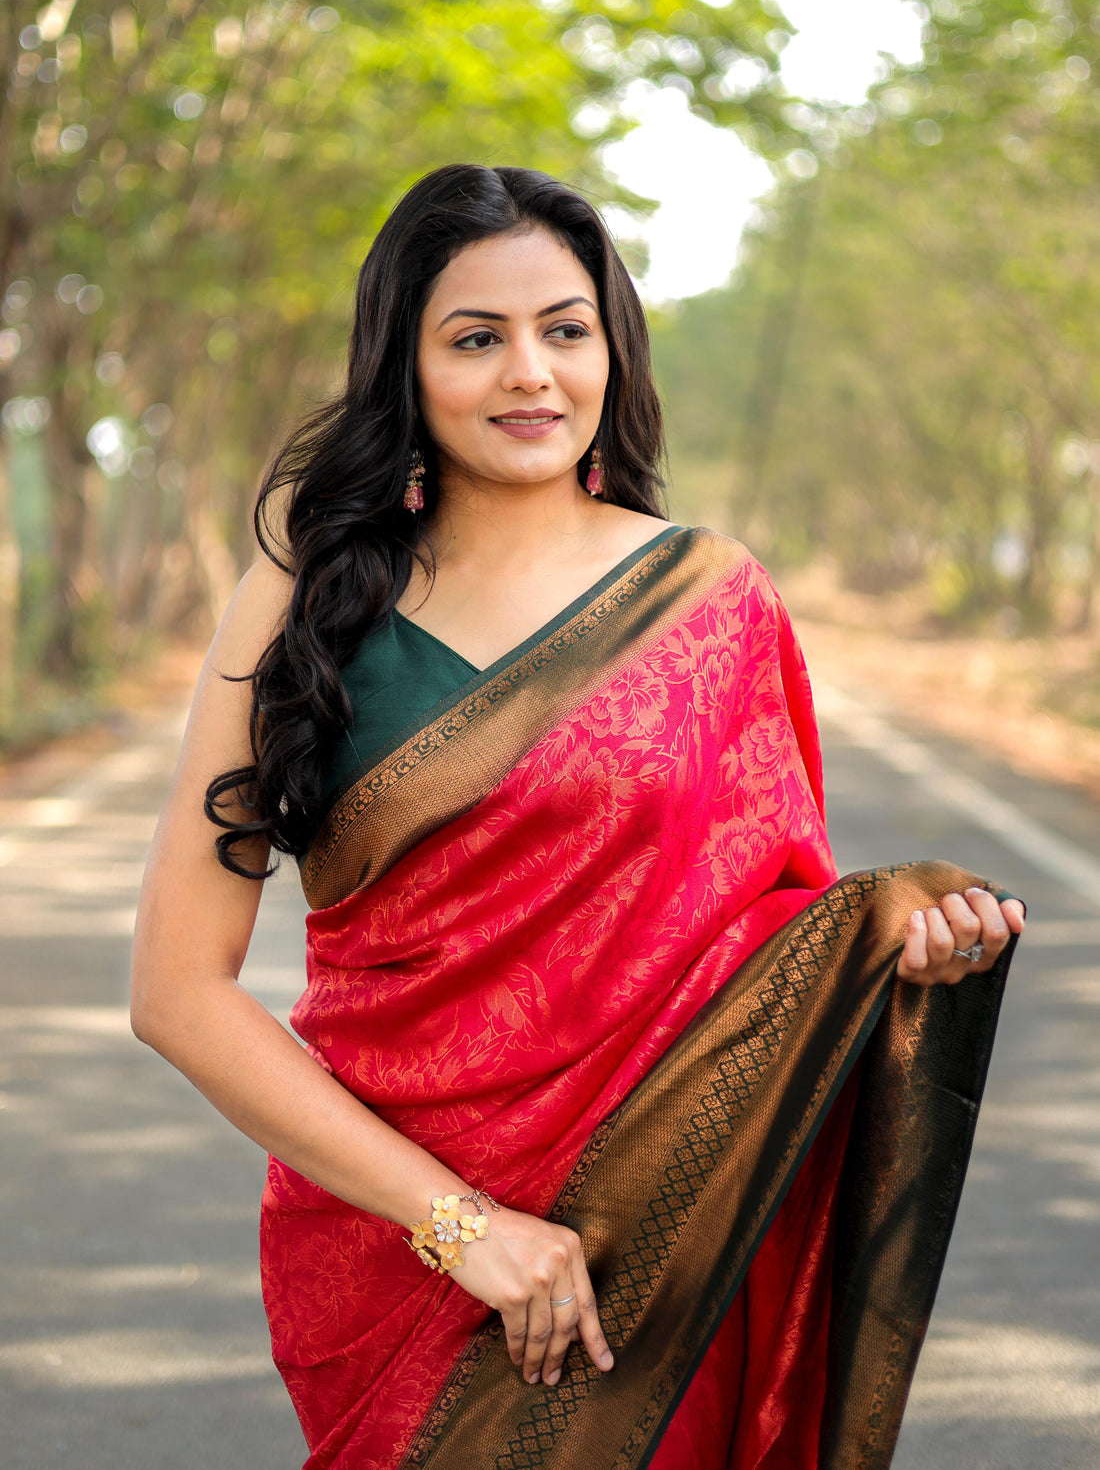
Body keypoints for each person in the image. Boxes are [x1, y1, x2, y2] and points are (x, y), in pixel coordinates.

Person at [131, 164, 1025, 1470]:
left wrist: (893, 933)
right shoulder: (306, 597)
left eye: (564, 328)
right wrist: (462, 1226)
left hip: (659, 1225)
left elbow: (774, 940)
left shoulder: (708, 601)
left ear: (613, 347)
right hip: (397, 1254)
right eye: (475, 339)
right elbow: (176, 991)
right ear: (404, 365)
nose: (528, 374)